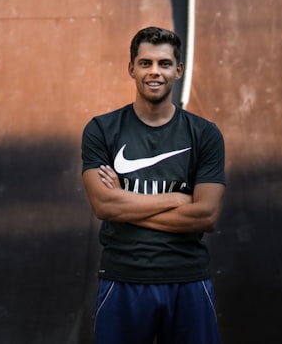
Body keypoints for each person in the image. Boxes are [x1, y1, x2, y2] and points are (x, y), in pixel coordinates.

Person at [81, 26, 226, 344]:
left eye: (163, 63)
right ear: (131, 68)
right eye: (145, 63)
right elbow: (103, 206)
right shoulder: (101, 130)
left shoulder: (204, 134)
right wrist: (177, 199)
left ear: (178, 70)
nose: (154, 72)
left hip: (188, 279)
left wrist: (124, 202)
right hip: (123, 278)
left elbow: (206, 216)